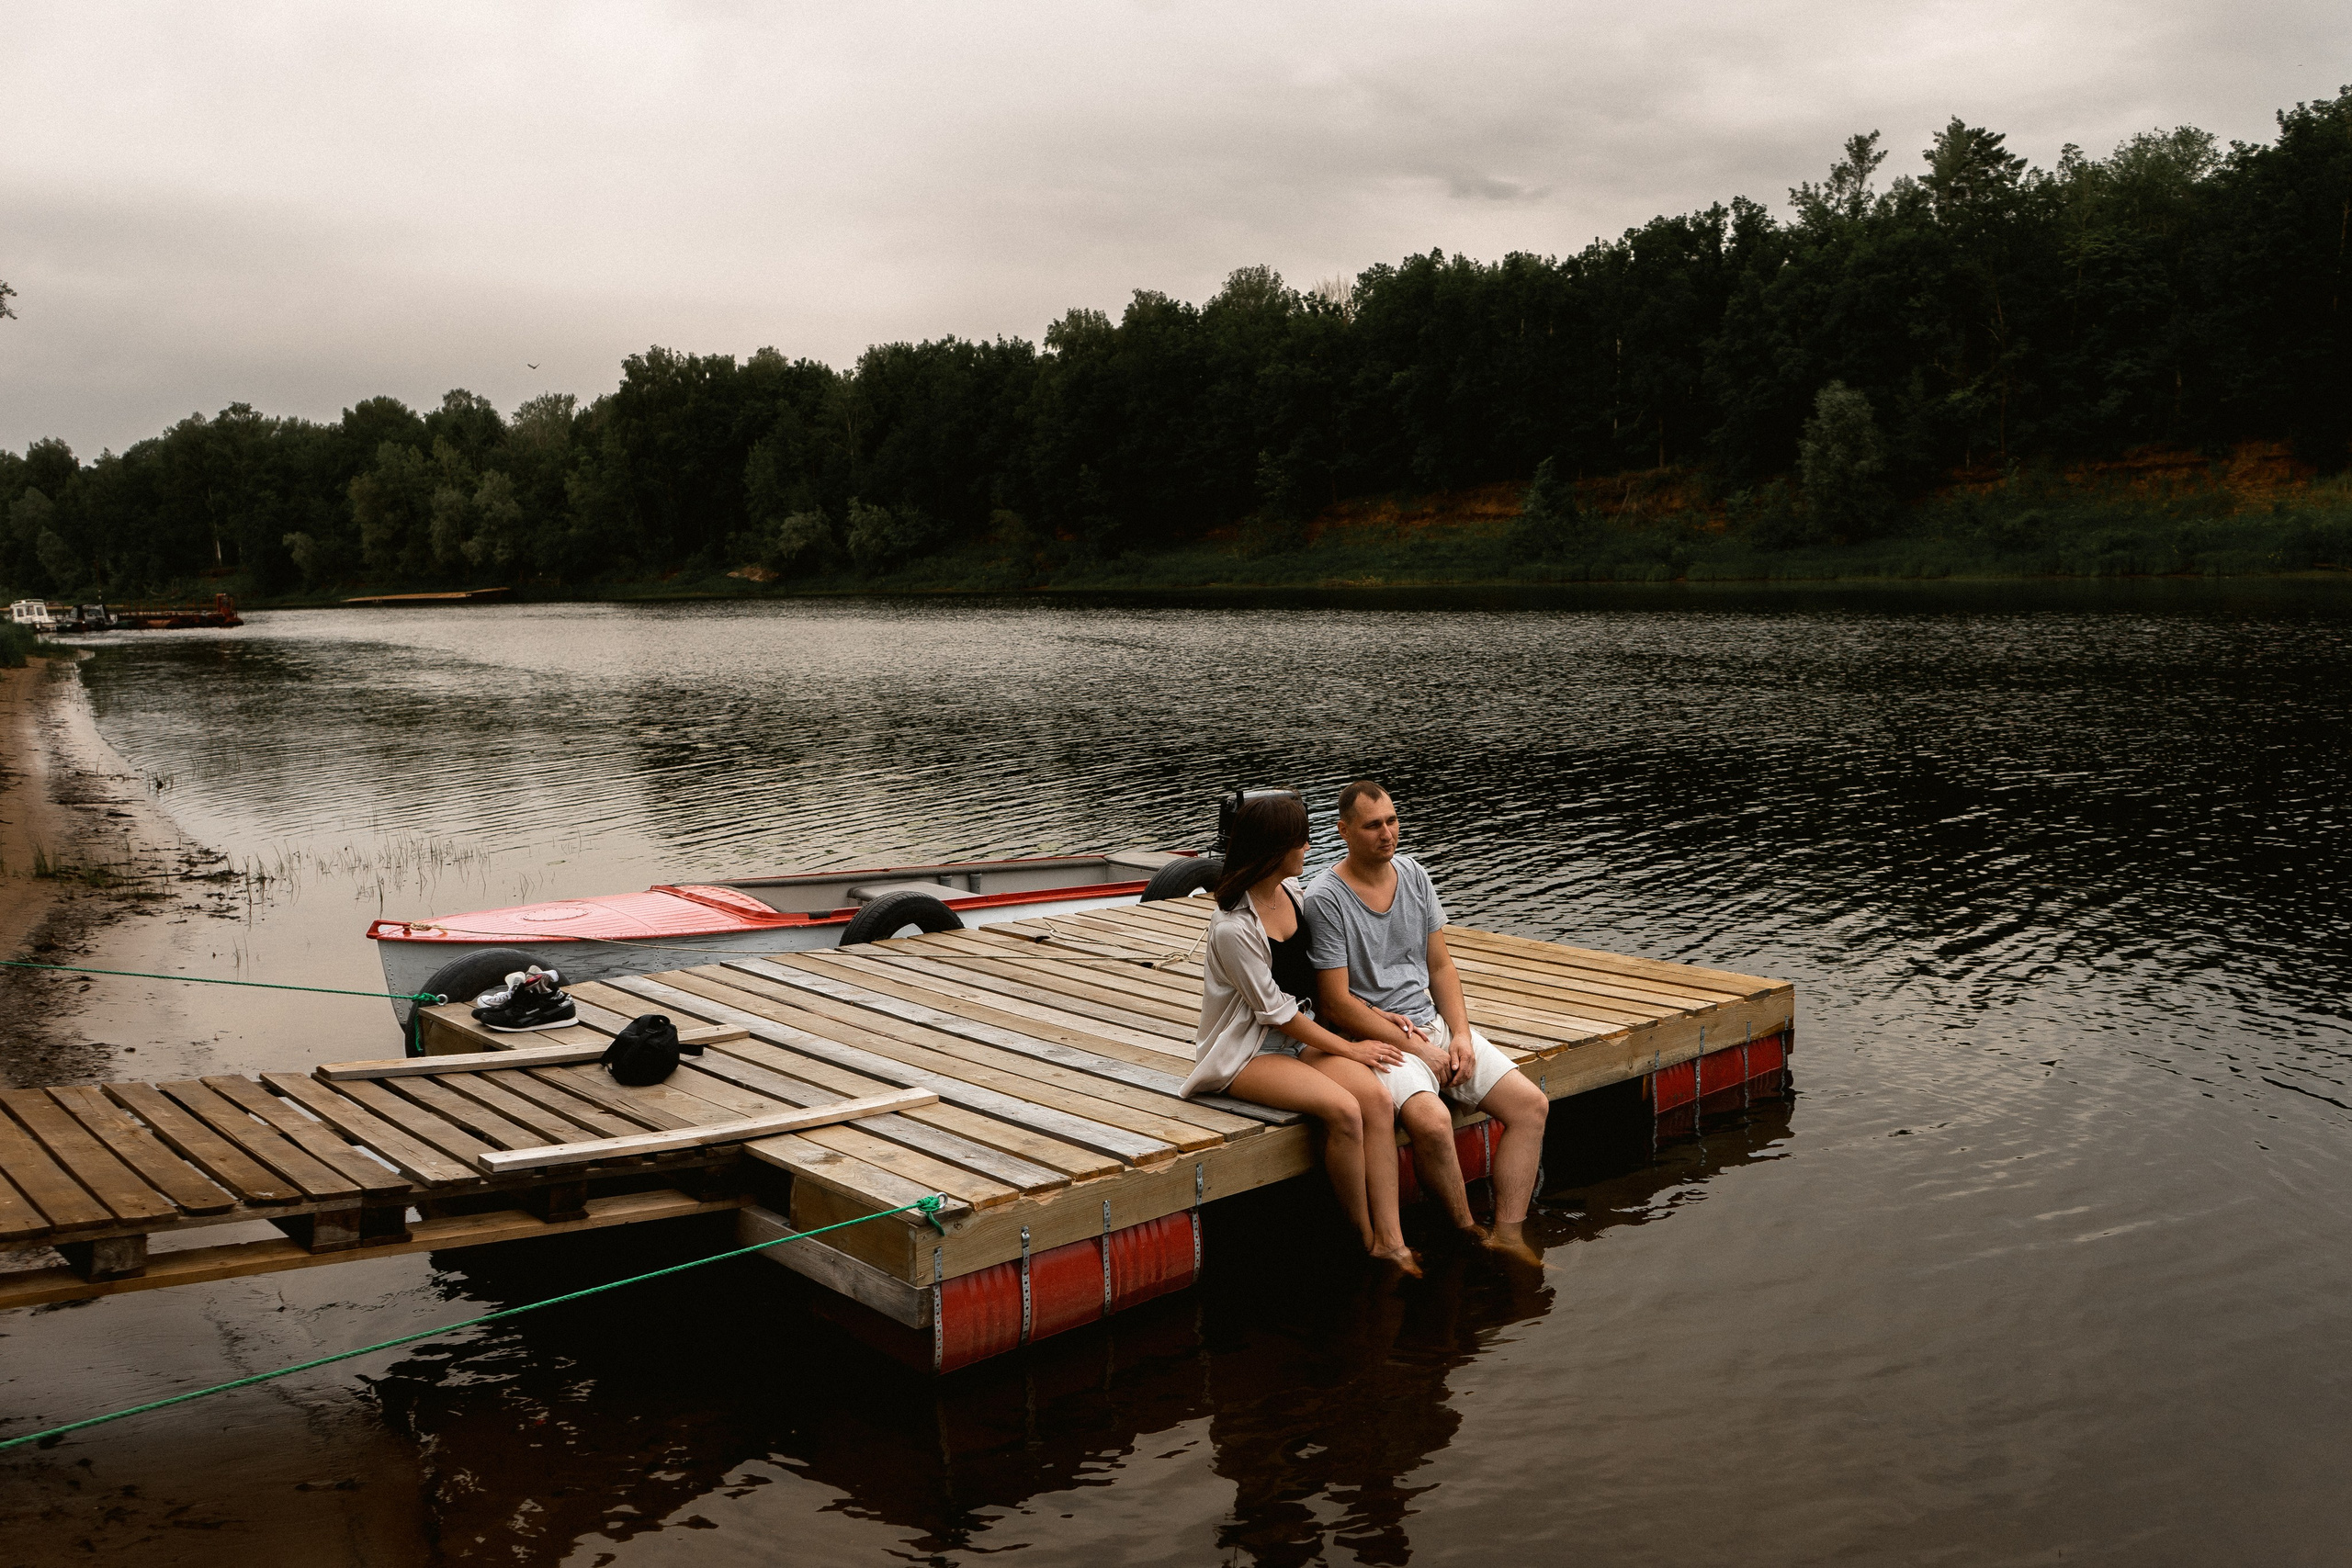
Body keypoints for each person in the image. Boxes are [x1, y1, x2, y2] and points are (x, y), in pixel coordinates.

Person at [1305, 781, 1549, 1264]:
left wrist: (1459, 1033)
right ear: (1344, 831)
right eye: (1373, 825)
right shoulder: (1326, 899)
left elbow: (1440, 967)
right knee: (1433, 1123)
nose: (1387, 833)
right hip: (1377, 1037)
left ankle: (1509, 1235)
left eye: (1392, 821)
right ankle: (1466, 1230)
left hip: (1431, 1023)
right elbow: (1335, 1004)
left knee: (1531, 1107)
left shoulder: (1414, 875)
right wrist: (1420, 1050)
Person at [1183, 792, 1421, 1274]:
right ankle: (1364, 1237)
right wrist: (1352, 1048)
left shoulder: (1290, 895)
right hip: (1248, 1055)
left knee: (1376, 1100)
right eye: (1300, 839)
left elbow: (1314, 982)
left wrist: (1373, 1014)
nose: (1309, 847)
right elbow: (1276, 1013)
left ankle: (1392, 1241)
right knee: (1344, 1109)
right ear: (1275, 848)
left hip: (1299, 1041)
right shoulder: (1234, 927)